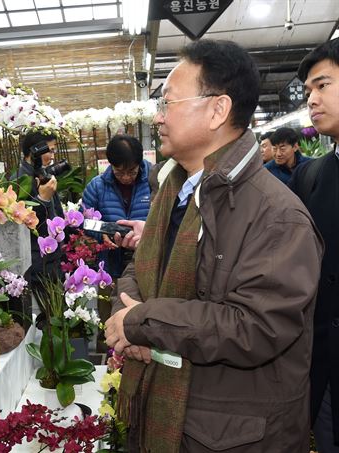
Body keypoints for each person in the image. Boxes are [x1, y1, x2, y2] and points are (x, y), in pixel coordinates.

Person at [104, 39, 322, 453]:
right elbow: (140, 269)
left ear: (218, 110)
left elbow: (255, 327)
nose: (158, 116)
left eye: (168, 102)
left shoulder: (276, 215)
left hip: (229, 433)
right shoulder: (177, 190)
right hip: (170, 411)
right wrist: (125, 320)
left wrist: (144, 323)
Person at [289, 37, 339, 453]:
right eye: (308, 92)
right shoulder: (311, 177)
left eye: (323, 86)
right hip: (325, 375)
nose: (312, 99)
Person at [82, 134, 152, 279]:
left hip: (149, 261)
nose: (126, 177)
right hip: (110, 265)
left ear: (140, 163)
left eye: (132, 171)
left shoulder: (155, 181)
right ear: (110, 164)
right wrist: (103, 233)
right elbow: (84, 221)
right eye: (119, 172)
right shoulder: (97, 186)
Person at [15, 130, 64, 295]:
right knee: (50, 312)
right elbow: (21, 222)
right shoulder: (21, 180)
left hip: (50, 257)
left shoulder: (41, 174)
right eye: (50, 150)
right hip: (38, 260)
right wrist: (42, 199)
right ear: (35, 151)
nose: (52, 155)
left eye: (53, 150)